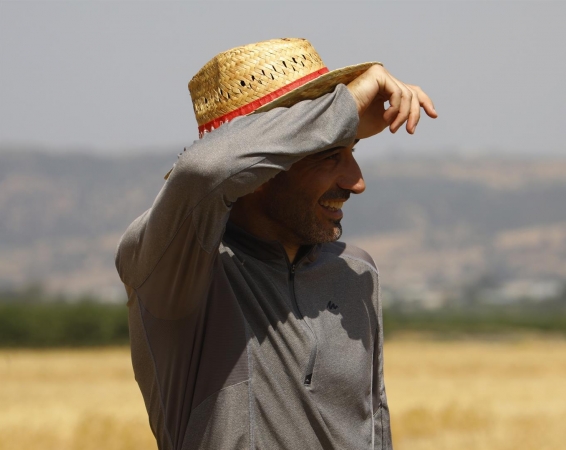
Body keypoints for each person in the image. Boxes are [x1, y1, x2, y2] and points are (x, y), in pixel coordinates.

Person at [115, 38, 436, 450]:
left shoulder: (356, 272)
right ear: (262, 169)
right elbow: (205, 169)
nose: (356, 182)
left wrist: (337, 123)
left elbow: (375, 429)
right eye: (329, 156)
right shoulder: (175, 271)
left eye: (351, 151)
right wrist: (346, 106)